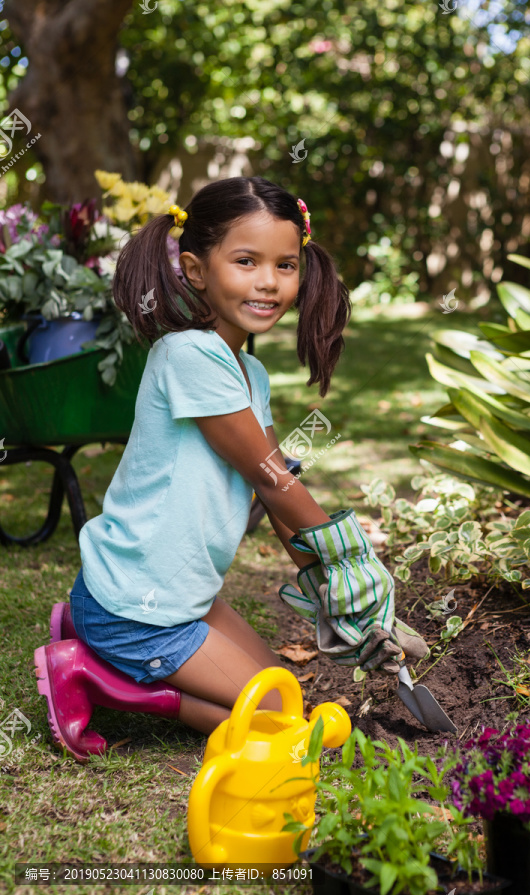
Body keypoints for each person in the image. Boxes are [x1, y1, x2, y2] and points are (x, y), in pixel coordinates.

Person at [34, 176, 427, 762]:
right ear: (196, 269)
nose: (268, 281)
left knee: (286, 695)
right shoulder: (188, 353)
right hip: (144, 610)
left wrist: (333, 594)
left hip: (176, 596)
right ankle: (93, 673)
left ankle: (89, 627)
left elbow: (274, 495)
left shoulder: (249, 372)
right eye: (246, 261)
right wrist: (354, 570)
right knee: (284, 720)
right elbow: (274, 478)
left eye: (285, 265)